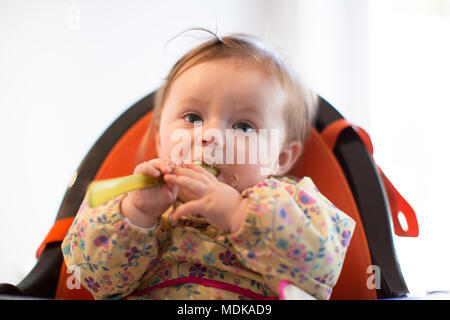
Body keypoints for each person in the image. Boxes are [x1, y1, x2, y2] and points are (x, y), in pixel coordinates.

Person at [61, 31, 355, 300]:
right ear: (161, 140)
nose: (210, 135)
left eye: (242, 126)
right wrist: (136, 214)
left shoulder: (294, 205)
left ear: (279, 158)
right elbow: (94, 279)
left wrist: (240, 214)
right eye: (192, 118)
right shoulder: (131, 202)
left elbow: (321, 266)